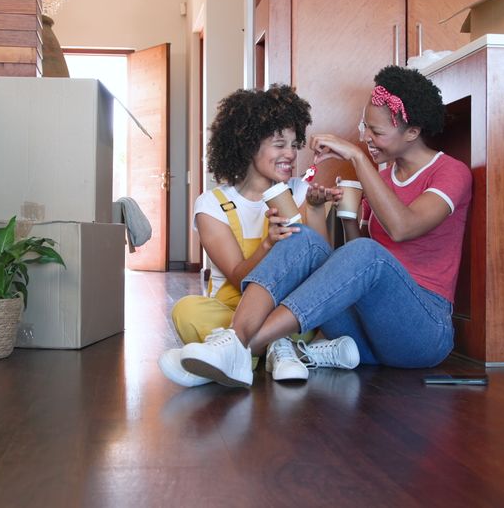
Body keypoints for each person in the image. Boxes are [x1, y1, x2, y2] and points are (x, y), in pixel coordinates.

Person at [176, 65, 472, 388]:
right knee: (303, 237)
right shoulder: (382, 178)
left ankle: (242, 347)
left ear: (412, 132)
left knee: (365, 253)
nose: (366, 138)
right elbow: (360, 263)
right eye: (364, 127)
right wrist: (348, 217)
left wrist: (357, 157)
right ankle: (237, 340)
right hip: (367, 334)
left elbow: (402, 229)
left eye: (376, 131)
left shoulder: (450, 172)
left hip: (423, 331)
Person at [159, 84, 331, 387]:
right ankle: (275, 347)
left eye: (294, 144)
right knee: (186, 310)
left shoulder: (300, 192)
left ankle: (231, 354)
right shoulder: (212, 204)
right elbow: (239, 277)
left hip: (288, 312)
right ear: (249, 146)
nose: (291, 154)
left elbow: (322, 266)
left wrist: (315, 210)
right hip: (232, 311)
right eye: (279, 144)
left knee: (307, 318)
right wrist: (268, 244)